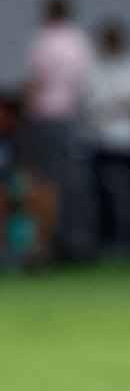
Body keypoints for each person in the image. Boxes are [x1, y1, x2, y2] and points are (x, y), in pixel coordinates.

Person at [22, 0, 94, 258]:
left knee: (41, 184)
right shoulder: (79, 41)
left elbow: (35, 82)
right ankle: (67, 242)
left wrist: (27, 113)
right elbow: (84, 83)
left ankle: (40, 245)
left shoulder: (43, 40)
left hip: (45, 118)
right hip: (71, 119)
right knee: (68, 184)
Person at [85, 20, 130, 245]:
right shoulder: (94, 68)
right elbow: (92, 105)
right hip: (101, 140)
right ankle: (105, 238)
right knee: (99, 192)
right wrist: (117, 107)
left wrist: (114, 108)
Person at [0, 98, 58, 267]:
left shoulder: (21, 140)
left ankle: (37, 252)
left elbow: (27, 171)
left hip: (14, 184)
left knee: (46, 195)